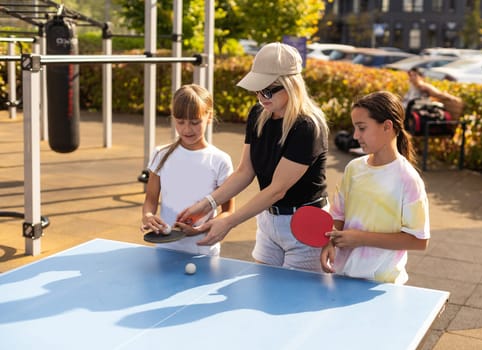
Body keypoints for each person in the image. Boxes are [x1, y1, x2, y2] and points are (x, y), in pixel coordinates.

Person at [177, 42, 330, 272]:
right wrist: (206, 204)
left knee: (292, 300)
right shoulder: (259, 113)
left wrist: (228, 221)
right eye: (257, 89)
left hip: (305, 224)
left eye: (268, 90)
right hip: (269, 220)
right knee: (265, 291)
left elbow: (277, 189)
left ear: (291, 85)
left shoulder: (308, 127)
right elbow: (245, 172)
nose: (261, 97)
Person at [320, 91, 430, 284]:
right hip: (342, 274)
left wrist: (361, 238)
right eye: (355, 128)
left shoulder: (408, 179)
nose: (355, 136)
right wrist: (329, 241)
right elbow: (337, 215)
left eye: (362, 128)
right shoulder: (354, 168)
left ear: (387, 126)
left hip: (381, 284)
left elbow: (419, 241)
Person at [141, 84, 234, 256]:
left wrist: (199, 229)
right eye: (180, 121)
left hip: (203, 251)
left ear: (209, 117)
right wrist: (147, 216)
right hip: (165, 249)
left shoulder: (220, 160)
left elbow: (228, 211)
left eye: (195, 122)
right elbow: (151, 199)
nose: (186, 129)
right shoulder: (160, 154)